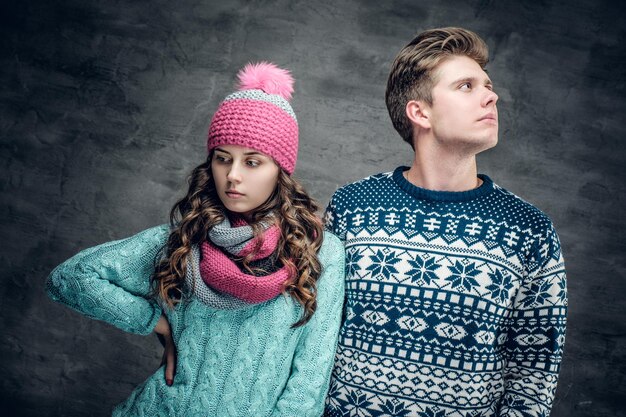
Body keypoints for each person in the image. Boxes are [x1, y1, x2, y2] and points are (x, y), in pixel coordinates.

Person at [46, 62, 345, 416]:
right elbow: (70, 278)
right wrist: (156, 323)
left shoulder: (319, 252)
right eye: (223, 159)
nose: (232, 175)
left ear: (280, 171)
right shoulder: (184, 241)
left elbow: (308, 383)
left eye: (252, 162)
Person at [323, 27, 567, 417]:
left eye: (487, 85)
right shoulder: (352, 208)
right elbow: (316, 334)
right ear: (420, 112)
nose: (492, 95)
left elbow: (534, 375)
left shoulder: (529, 229)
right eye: (466, 86)